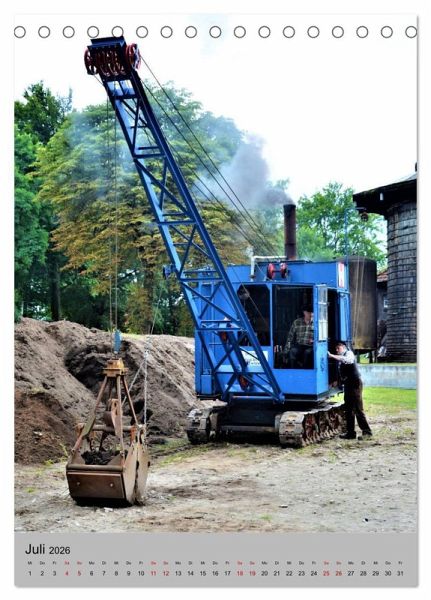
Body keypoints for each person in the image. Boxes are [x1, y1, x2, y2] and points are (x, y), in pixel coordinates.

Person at [328, 341, 372, 439]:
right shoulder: (341, 357)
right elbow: (343, 372)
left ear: (343, 347)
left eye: (338, 348)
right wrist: (337, 382)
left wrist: (332, 356)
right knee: (349, 409)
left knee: (358, 409)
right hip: (348, 384)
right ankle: (350, 433)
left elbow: (348, 360)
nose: (337, 350)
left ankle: (367, 432)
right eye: (336, 349)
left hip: (355, 383)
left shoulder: (349, 353)